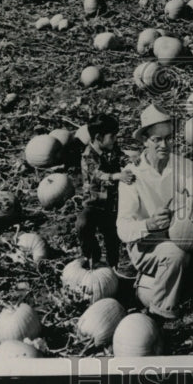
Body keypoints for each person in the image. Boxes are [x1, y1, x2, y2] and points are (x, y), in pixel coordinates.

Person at [116, 104, 193, 321]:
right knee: (174, 254)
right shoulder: (132, 176)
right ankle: (161, 315)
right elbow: (122, 228)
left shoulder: (184, 165)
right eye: (157, 139)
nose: (164, 144)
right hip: (148, 244)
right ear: (144, 140)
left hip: (183, 235)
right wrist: (149, 224)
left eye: (168, 138)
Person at [77, 113, 135, 274]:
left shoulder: (112, 148)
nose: (115, 139)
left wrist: (131, 161)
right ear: (98, 137)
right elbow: (98, 174)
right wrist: (117, 176)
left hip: (111, 203)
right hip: (94, 204)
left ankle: (113, 267)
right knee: (83, 225)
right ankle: (93, 258)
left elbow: (121, 157)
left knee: (112, 236)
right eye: (112, 136)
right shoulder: (88, 155)